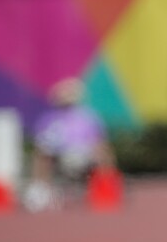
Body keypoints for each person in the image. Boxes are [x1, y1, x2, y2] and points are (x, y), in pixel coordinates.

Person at [23, 77, 115, 211]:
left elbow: (99, 142)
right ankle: (40, 190)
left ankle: (107, 184)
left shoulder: (88, 117)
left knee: (102, 151)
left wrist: (100, 156)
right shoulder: (49, 119)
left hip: (84, 155)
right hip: (60, 156)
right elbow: (43, 142)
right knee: (42, 154)